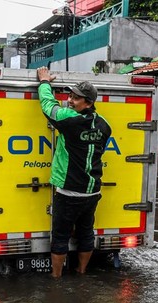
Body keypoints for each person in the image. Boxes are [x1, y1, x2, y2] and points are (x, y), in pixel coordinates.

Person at [37, 66, 112, 278]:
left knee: (60, 237)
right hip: (92, 193)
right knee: (86, 233)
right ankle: (81, 272)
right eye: (70, 96)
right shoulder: (104, 125)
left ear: (88, 103)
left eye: (76, 98)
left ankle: (56, 278)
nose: (70, 100)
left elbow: (48, 106)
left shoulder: (70, 121)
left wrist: (44, 82)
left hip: (69, 193)